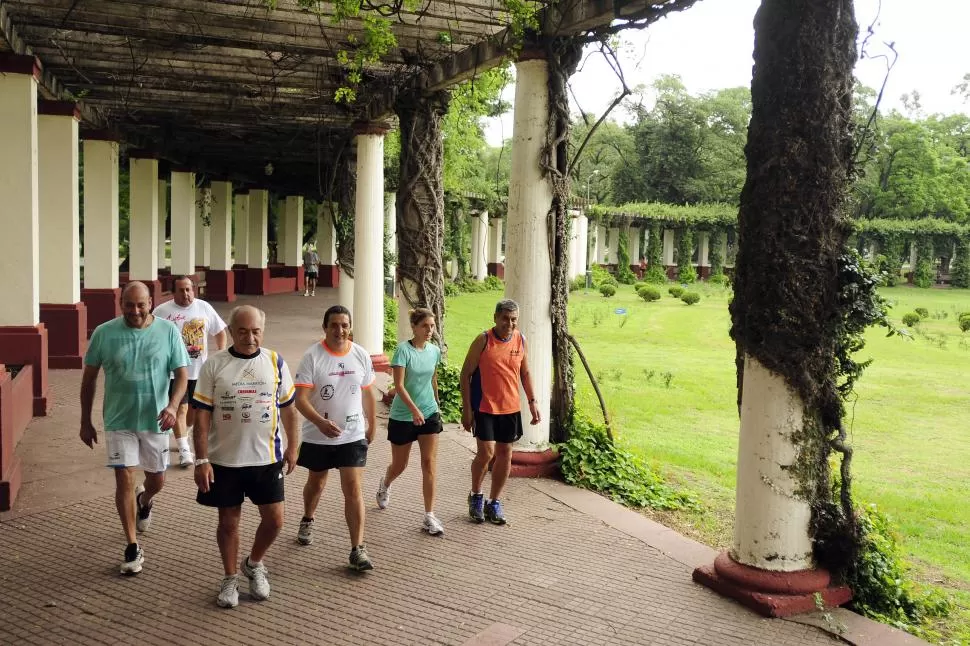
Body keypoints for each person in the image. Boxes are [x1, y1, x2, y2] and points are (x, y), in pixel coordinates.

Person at [191, 305, 299, 609]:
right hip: (224, 462)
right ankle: (229, 579)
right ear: (231, 330)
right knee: (228, 523)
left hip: (267, 459)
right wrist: (201, 460)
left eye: (256, 331)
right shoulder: (214, 365)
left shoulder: (276, 362)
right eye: (243, 331)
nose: (250, 337)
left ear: (262, 331)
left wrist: (293, 446)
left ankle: (253, 563)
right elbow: (200, 419)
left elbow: (289, 408)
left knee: (276, 520)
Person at [80, 281, 190, 575]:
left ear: (151, 303)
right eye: (129, 305)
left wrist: (171, 405)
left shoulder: (167, 331)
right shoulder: (104, 333)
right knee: (123, 479)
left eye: (141, 305)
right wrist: (85, 420)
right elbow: (88, 379)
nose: (136, 311)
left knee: (157, 480)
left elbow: (182, 375)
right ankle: (131, 546)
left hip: (156, 420)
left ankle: (146, 500)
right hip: (118, 420)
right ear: (121, 305)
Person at [294, 305, 377, 571]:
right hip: (318, 435)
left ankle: (357, 549)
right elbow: (300, 400)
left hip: (352, 435)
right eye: (334, 325)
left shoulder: (361, 354)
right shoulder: (312, 357)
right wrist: (319, 422)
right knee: (317, 483)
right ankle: (308, 518)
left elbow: (367, 393)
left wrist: (372, 423)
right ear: (325, 327)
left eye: (344, 325)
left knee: (353, 489)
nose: (340, 330)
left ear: (350, 327)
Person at [459, 299, 541, 525]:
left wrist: (532, 401)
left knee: (506, 454)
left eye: (514, 319)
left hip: (510, 408)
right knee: (486, 453)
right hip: (485, 406)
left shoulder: (520, 340)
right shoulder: (483, 340)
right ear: (495, 317)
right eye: (505, 318)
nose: (510, 323)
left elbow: (525, 373)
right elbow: (465, 375)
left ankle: (494, 502)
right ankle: (476, 496)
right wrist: (467, 410)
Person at [375, 308, 444, 536]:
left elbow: (432, 379)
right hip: (403, 416)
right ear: (414, 327)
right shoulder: (403, 351)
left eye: (432, 326)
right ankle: (385, 483)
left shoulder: (434, 351)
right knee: (400, 465)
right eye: (425, 326)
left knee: (429, 463)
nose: (429, 330)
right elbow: (399, 386)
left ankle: (429, 516)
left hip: (429, 413)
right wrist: (414, 410)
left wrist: (437, 404)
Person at [153, 276, 227, 467]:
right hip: (175, 373)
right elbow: (151, 337)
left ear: (193, 290)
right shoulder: (161, 312)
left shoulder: (204, 308)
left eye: (189, 289)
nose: (186, 294)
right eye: (181, 290)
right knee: (180, 407)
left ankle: (180, 434)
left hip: (200, 372)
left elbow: (220, 332)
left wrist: (221, 355)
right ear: (173, 292)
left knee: (193, 413)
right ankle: (185, 450)